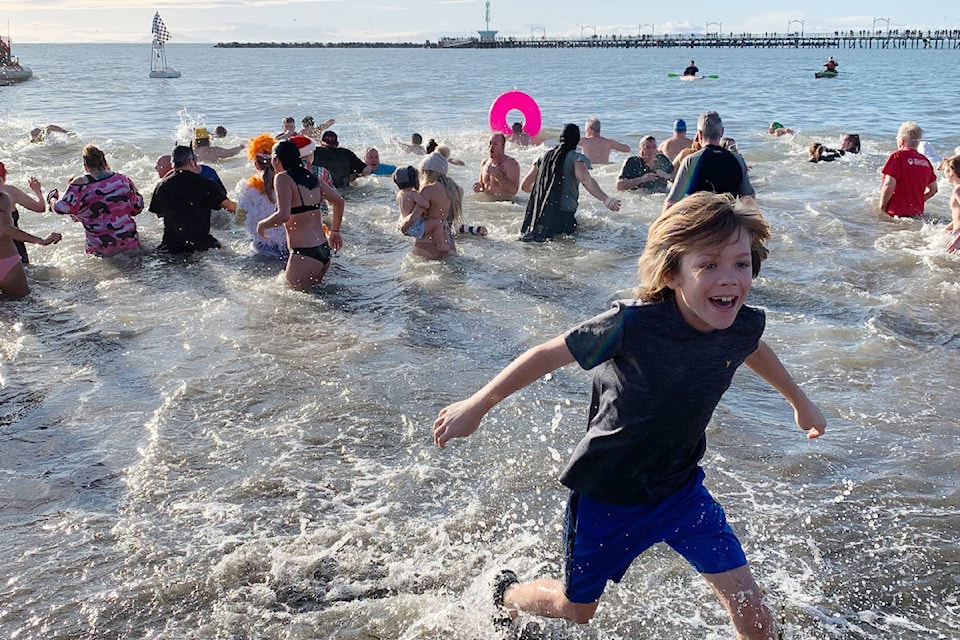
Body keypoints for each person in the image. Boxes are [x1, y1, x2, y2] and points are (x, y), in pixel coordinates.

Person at [432, 191, 827, 640]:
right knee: (577, 609)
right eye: (709, 265)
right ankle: (506, 595)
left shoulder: (739, 324)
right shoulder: (632, 325)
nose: (730, 279)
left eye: (742, 263)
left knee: (751, 611)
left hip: (679, 490)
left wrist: (799, 401)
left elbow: (752, 348)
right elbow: (548, 353)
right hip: (608, 493)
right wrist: (477, 405)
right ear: (672, 271)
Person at [257, 140, 345, 291]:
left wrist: (262, 225)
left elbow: (283, 215)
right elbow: (339, 202)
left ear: (277, 159)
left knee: (290, 302)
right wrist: (335, 231)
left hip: (304, 254)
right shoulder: (311, 176)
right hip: (323, 250)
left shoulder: (282, 178)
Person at [520, 123, 620, 242]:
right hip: (564, 216)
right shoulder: (575, 158)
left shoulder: (543, 157)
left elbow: (525, 186)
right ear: (577, 140)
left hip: (540, 215)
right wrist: (606, 199)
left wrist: (548, 190)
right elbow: (585, 180)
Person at [49, 145, 144, 256]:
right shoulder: (122, 180)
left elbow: (60, 208)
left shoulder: (79, 184)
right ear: (105, 162)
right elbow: (137, 207)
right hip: (130, 243)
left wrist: (52, 198)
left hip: (100, 248)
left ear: (85, 166)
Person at [149, 145, 236, 254]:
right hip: (201, 244)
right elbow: (230, 207)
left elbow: (159, 214)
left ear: (173, 164)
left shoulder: (162, 185)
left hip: (171, 245)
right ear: (191, 162)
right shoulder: (206, 184)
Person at [664, 111, 755, 213]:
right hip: (728, 222)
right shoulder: (737, 159)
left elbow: (671, 203)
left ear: (699, 134)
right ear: (722, 132)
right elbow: (749, 197)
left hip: (700, 222)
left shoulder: (692, 160)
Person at [0, 191, 61, 300]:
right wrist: (41, 241)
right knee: (23, 301)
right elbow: (6, 229)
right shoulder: (3, 198)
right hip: (7, 265)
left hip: (7, 263)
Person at [235, 133, 287, 259]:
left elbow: (239, 221)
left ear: (256, 165)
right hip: (288, 246)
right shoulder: (288, 183)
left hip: (262, 248)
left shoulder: (247, 189)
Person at [879, 121, 938, 218]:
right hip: (917, 212)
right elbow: (934, 189)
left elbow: (889, 185)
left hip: (895, 212)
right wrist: (920, 200)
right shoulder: (925, 161)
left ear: (901, 141)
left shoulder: (897, 156)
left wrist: (882, 206)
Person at [412, 152, 462, 259]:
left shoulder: (428, 190)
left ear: (428, 173)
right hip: (449, 243)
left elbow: (415, 217)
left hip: (427, 244)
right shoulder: (456, 190)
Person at [0, 161, 47, 264]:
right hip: (14, 247)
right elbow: (40, 207)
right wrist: (37, 191)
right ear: (3, 175)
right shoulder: (10, 191)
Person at [473, 133, 521, 200]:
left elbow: (514, 191)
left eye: (495, 144)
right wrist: (478, 188)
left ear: (503, 146)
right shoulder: (484, 163)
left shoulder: (510, 163)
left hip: (504, 205)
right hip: (487, 205)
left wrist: (498, 176)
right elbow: (482, 186)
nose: (491, 147)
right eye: (490, 144)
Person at [155, 154, 227, 193]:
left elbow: (158, 213)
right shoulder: (208, 178)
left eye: (158, 166)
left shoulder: (165, 182)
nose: (156, 168)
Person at [940, 155, 960, 253]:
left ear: (952, 172)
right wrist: (945, 230)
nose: (945, 174)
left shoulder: (958, 190)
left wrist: (957, 240)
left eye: (946, 170)